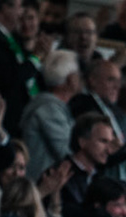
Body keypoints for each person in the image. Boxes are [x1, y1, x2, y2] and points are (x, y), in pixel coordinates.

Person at [19, 48, 81, 177]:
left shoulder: (51, 105)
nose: (80, 78)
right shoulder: (50, 109)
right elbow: (65, 152)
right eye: (77, 74)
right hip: (38, 182)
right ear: (70, 79)